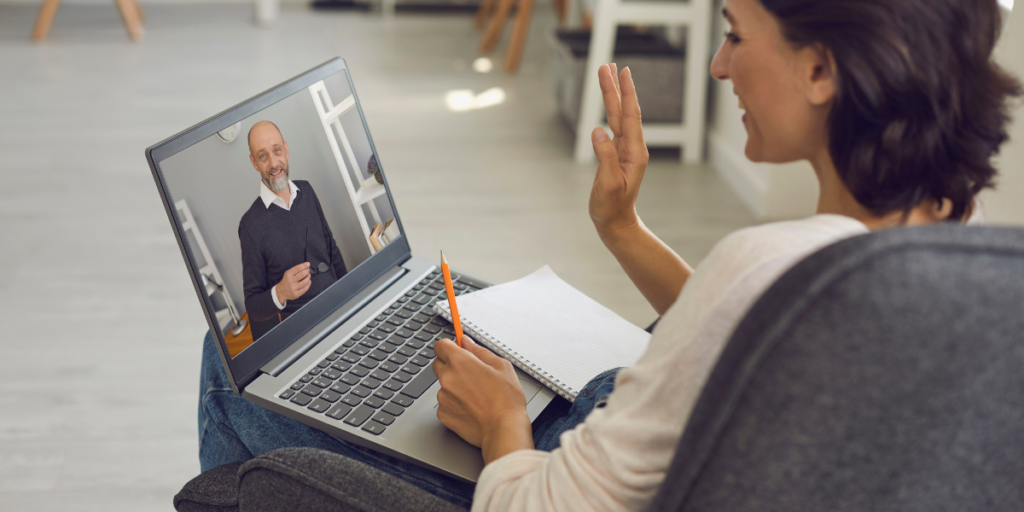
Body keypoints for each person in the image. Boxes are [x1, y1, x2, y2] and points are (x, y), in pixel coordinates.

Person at [197, 0, 1021, 510]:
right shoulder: (958, 251)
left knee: (231, 367)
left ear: (818, 69)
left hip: (547, 470)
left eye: (735, 33)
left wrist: (503, 420)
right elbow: (768, 344)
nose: (720, 63)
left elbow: (536, 507)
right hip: (636, 444)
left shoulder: (763, 263)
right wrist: (624, 229)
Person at [238, 120, 347, 329]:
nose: (273, 164)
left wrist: (351, 296)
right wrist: (280, 292)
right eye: (263, 156)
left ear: (286, 150)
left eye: (277, 150)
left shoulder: (307, 190)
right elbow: (253, 305)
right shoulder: (249, 226)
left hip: (339, 308)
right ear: (254, 163)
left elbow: (332, 250)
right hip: (303, 331)